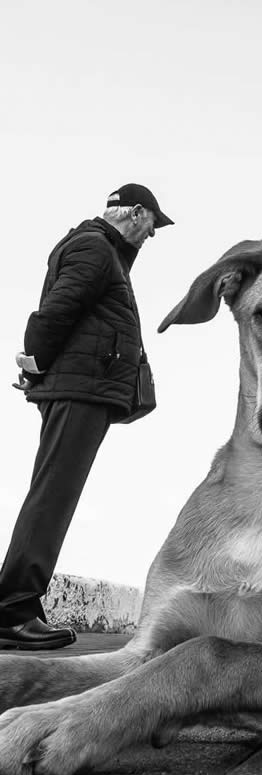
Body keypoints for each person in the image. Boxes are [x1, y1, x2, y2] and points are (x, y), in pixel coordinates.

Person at [0, 183, 173, 651]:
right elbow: (55, 313)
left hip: (80, 387)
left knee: (52, 494)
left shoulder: (100, 250)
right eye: (152, 225)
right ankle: (12, 610)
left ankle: (19, 606)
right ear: (136, 213)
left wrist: (42, 372)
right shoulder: (95, 248)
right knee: (52, 496)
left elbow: (72, 320)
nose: (152, 236)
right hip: (81, 391)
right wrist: (36, 363)